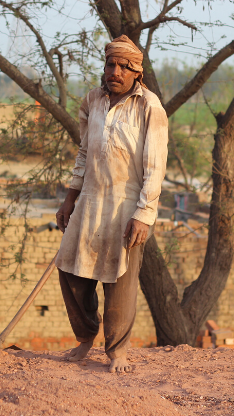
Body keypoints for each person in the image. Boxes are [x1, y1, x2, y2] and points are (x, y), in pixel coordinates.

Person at [55, 35, 168, 373]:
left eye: (123, 66)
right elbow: (84, 153)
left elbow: (155, 166)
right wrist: (69, 199)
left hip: (126, 204)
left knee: (119, 281)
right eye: (110, 64)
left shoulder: (150, 107)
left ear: (137, 72)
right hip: (90, 198)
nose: (115, 71)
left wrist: (144, 215)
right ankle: (86, 336)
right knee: (70, 271)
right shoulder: (92, 101)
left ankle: (117, 351)